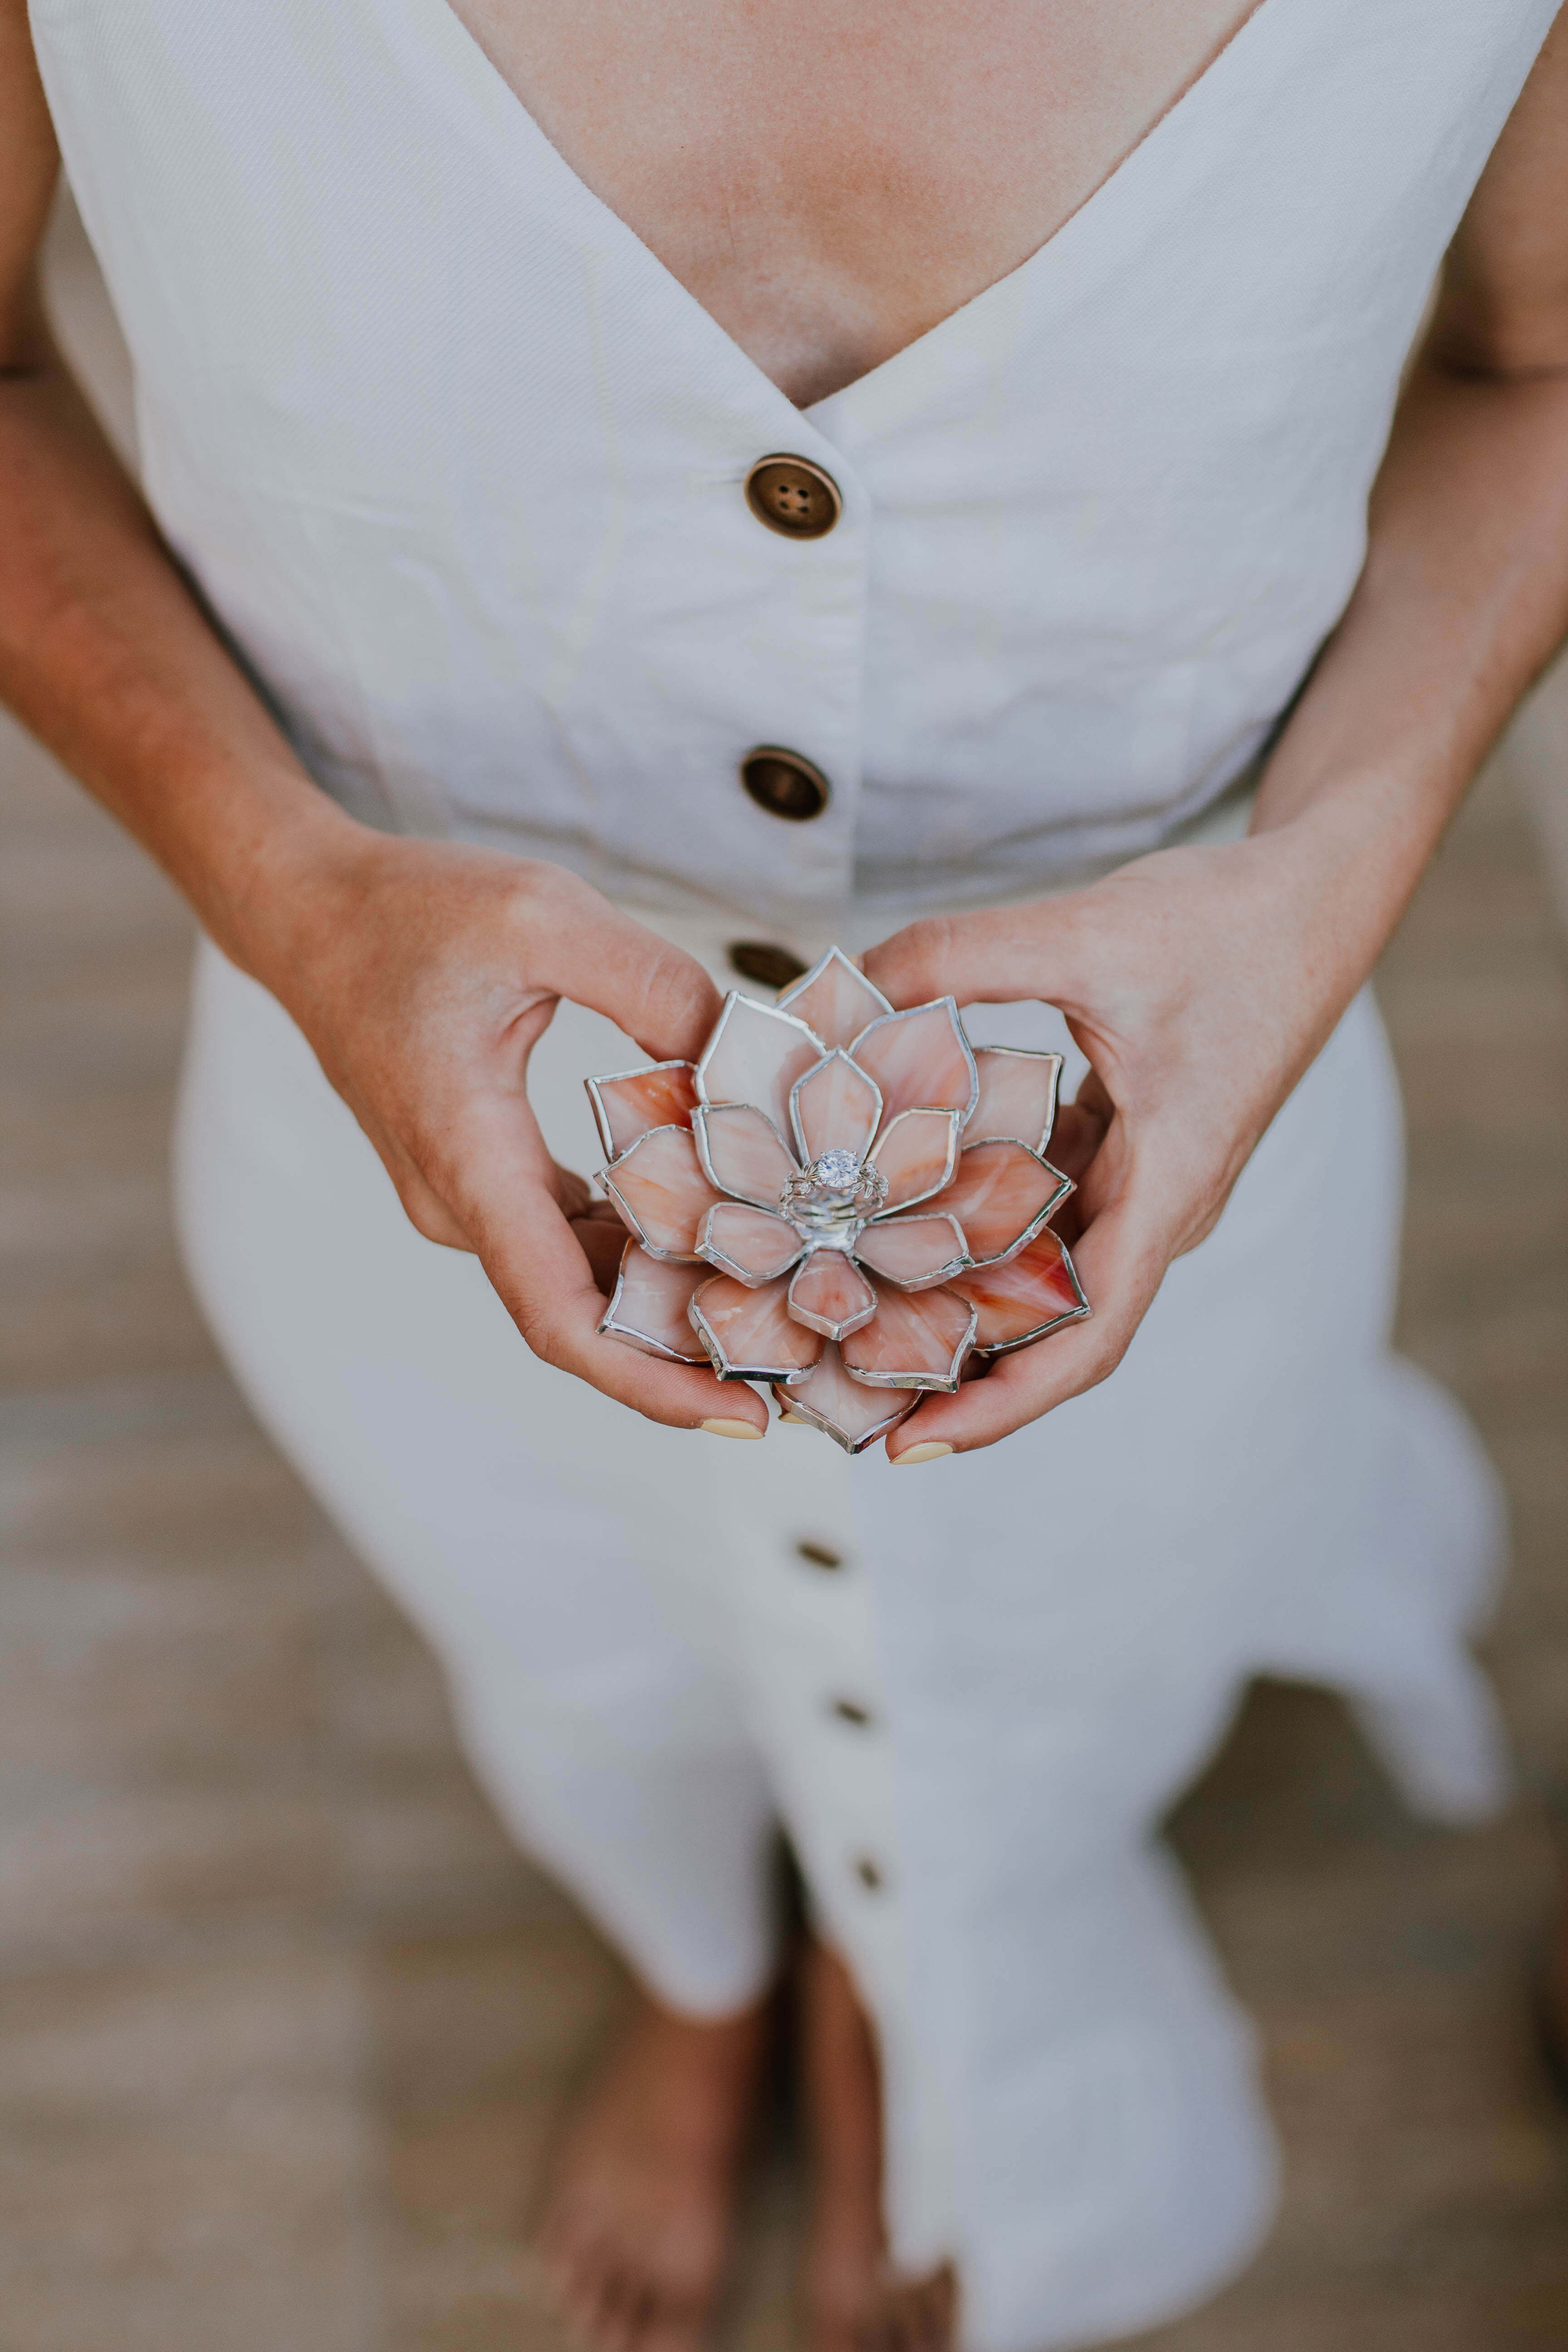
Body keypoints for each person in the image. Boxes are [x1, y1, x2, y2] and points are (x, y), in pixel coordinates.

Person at [5, 1, 1568, 2345]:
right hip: (398, 1174)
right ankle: (700, 1958)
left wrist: (1321, 881)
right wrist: (299, 893)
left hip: (1159, 1188)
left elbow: (1545, 370)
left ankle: (868, 1987)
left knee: (1069, 1688)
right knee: (581, 1667)